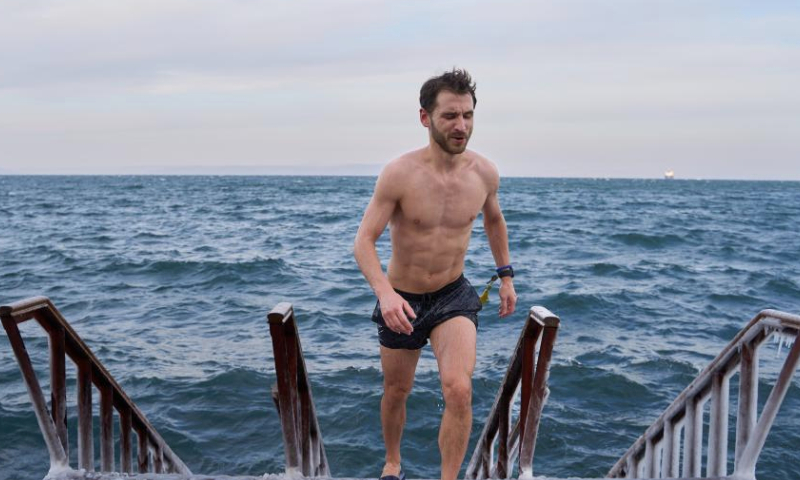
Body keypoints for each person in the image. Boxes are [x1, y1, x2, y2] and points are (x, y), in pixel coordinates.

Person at [353, 68, 517, 480]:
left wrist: (506, 276)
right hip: (402, 299)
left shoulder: (484, 173)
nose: (461, 126)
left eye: (468, 115)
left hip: (452, 295)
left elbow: (494, 221)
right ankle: (393, 462)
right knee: (396, 392)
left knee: (459, 390)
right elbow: (364, 242)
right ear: (426, 118)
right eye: (450, 116)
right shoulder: (399, 174)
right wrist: (386, 295)